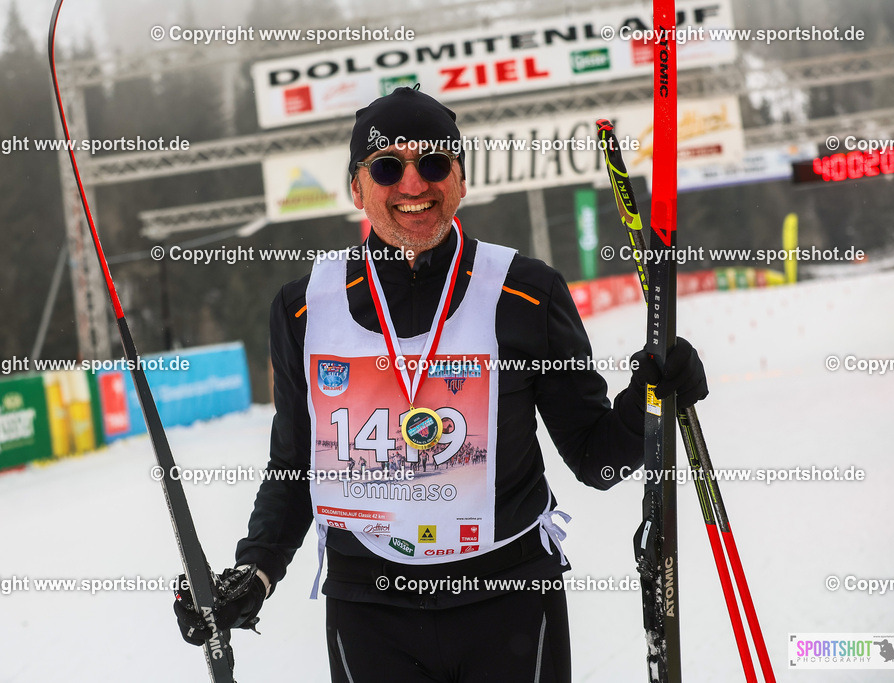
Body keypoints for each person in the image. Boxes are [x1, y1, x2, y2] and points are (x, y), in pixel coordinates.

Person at [174, 85, 708, 681]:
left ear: (460, 178)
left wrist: (650, 401)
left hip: (507, 599)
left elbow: (594, 458)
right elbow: (296, 467)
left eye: (433, 163)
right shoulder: (304, 309)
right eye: (387, 167)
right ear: (356, 187)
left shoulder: (525, 293)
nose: (412, 185)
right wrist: (258, 569)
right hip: (368, 609)